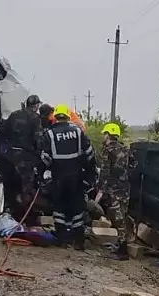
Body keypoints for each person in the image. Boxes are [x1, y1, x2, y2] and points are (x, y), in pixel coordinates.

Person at [41, 104, 96, 250]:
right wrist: (90, 175)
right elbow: (90, 153)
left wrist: (41, 175)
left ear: (55, 117)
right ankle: (78, 241)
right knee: (77, 208)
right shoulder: (78, 132)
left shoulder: (50, 134)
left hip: (58, 177)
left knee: (59, 207)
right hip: (76, 176)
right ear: (67, 116)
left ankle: (62, 239)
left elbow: (45, 158)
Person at [0, 94, 43, 226]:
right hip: (26, 158)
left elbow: (3, 132)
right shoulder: (35, 118)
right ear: (35, 106)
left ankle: (7, 214)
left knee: (10, 186)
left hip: (11, 156)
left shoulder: (14, 115)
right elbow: (38, 140)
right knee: (26, 188)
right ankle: (24, 218)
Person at [99, 122, 136, 260]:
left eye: (105, 134)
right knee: (123, 215)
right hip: (125, 188)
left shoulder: (107, 150)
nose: (104, 137)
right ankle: (121, 244)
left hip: (113, 188)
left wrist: (101, 189)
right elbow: (133, 165)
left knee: (118, 218)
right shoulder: (125, 149)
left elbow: (104, 171)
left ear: (109, 135)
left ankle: (122, 250)